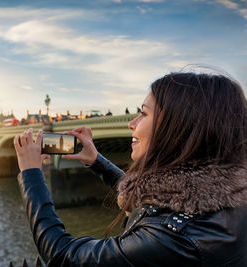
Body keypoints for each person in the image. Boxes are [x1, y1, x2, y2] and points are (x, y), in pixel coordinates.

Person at [13, 72, 247, 266]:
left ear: (178, 129)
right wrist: (96, 161)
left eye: (143, 113)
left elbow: (62, 255)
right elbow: (152, 200)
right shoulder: (226, 200)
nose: (131, 123)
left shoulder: (169, 238)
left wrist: (31, 173)